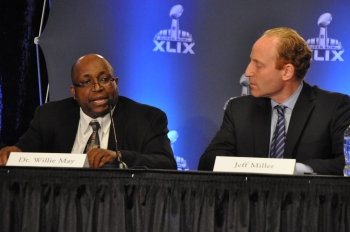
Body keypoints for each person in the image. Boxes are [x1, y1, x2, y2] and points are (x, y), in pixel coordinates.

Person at [198, 27, 350, 175]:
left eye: (258, 65)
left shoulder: (334, 107)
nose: (248, 72)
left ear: (287, 71)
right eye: (251, 62)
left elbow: (344, 163)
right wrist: (252, 168)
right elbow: (208, 161)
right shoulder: (238, 110)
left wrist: (296, 170)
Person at [0, 54, 177, 169]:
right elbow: (23, 151)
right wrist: (12, 152)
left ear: (115, 83)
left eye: (104, 79)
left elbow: (166, 164)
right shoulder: (49, 116)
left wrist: (119, 156)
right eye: (86, 83)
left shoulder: (147, 119)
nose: (98, 88)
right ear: (74, 92)